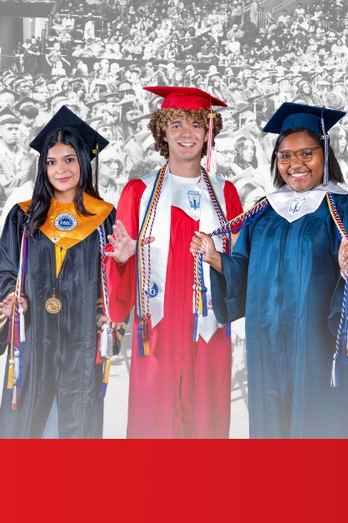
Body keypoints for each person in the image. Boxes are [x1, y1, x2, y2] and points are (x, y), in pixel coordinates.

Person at [191, 102, 348, 438]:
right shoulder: (265, 211)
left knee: (316, 425)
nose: (295, 164)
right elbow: (244, 268)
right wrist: (216, 259)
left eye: (306, 154)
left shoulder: (344, 205)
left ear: (325, 155)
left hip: (317, 345)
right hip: (265, 344)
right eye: (285, 156)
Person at [104, 87, 243, 439]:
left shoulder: (225, 194)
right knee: (155, 420)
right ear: (162, 131)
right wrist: (122, 262)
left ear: (209, 132)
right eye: (176, 124)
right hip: (158, 330)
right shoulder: (139, 192)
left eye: (196, 125)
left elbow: (243, 265)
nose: (186, 133)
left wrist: (219, 259)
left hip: (208, 331)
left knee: (206, 420)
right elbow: (120, 273)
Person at [0, 106, 124, 438]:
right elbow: (4, 271)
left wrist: (108, 314)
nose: (60, 169)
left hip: (82, 341)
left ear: (84, 161)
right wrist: (12, 300)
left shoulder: (105, 217)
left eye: (69, 159)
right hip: (34, 337)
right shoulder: (23, 217)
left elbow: (112, 279)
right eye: (51, 161)